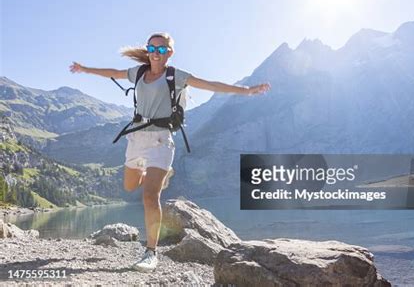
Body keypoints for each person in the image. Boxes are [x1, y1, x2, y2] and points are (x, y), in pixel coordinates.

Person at [69, 32, 271, 272]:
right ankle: (162, 176)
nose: (156, 53)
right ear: (147, 50)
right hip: (136, 137)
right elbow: (113, 73)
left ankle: (150, 253)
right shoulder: (140, 73)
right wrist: (85, 69)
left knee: (149, 196)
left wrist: (246, 90)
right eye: (152, 48)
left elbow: (210, 84)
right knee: (130, 186)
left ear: (169, 53)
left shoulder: (176, 76)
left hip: (161, 140)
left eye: (162, 49)